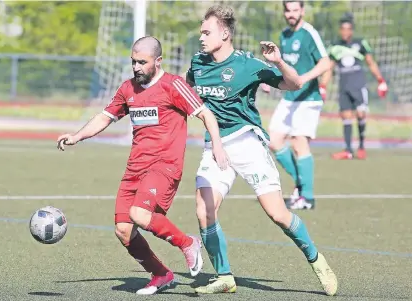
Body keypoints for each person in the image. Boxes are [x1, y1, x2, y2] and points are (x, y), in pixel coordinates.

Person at [57, 36, 229, 295]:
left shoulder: (174, 85)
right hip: (134, 168)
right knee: (124, 231)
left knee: (139, 214)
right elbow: (106, 116)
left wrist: (216, 144)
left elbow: (205, 113)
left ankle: (188, 243)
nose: (136, 67)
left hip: (164, 166)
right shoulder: (128, 89)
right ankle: (162, 274)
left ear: (158, 61)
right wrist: (77, 136)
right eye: (133, 61)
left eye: (142, 62)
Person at [185, 5, 337, 296]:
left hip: (247, 143)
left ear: (225, 34)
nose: (201, 37)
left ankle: (317, 260)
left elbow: (293, 84)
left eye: (207, 32)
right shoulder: (198, 63)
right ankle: (225, 276)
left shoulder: (247, 64)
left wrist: (279, 62)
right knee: (204, 210)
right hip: (215, 146)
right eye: (201, 32)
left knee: (278, 214)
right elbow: (185, 89)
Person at [264, 0, 331, 210]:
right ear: (284, 12)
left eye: (295, 10)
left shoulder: (309, 33)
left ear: (302, 11)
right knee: (273, 140)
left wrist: (304, 78)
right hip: (290, 98)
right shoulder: (284, 35)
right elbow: (285, 67)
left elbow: (325, 62)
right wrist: (270, 81)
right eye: (288, 10)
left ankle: (307, 198)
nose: (292, 14)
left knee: (298, 142)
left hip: (309, 98)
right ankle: (301, 185)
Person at [320, 13, 388, 160]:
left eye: (348, 29)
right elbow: (329, 68)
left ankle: (362, 146)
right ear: (340, 30)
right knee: (345, 116)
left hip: (358, 86)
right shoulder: (335, 47)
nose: (345, 32)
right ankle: (348, 150)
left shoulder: (360, 44)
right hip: (344, 87)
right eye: (342, 29)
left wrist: (381, 81)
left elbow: (371, 63)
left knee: (361, 114)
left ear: (351, 30)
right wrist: (323, 86)